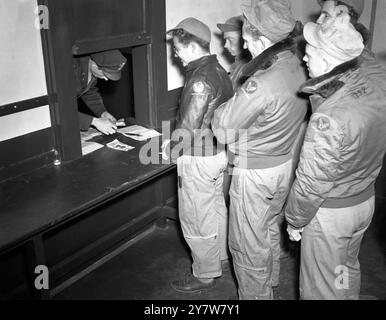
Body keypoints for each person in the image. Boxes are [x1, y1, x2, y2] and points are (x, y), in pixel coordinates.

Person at [285, 14, 386, 300]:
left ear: (328, 61)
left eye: (310, 51)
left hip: (331, 214)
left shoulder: (329, 117)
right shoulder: (376, 86)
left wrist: (294, 220)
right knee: (344, 267)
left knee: (319, 289)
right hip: (363, 201)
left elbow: (311, 183)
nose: (304, 58)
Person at [212, 0, 308, 300]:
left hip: (255, 173)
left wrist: (229, 103)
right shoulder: (296, 64)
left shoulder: (262, 81)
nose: (243, 42)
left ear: (262, 39)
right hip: (282, 165)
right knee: (267, 231)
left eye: (246, 36)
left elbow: (222, 127)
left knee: (245, 246)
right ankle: (271, 285)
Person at [163, 17, 233, 293]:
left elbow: (189, 128)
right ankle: (221, 258)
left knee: (195, 215)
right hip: (217, 153)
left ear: (192, 46)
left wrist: (169, 151)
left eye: (178, 49)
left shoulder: (199, 80)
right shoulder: (219, 69)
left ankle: (204, 273)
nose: (176, 56)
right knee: (216, 209)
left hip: (198, 159)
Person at [73, 49, 127, 135]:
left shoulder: (91, 70)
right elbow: (60, 110)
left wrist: (102, 113)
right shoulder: (69, 70)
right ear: (94, 64)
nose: (106, 79)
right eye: (105, 74)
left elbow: (89, 91)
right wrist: (94, 122)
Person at [217, 15, 251, 91]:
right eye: (226, 40)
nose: (225, 45)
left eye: (230, 39)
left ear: (244, 38)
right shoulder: (236, 66)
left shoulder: (249, 68)